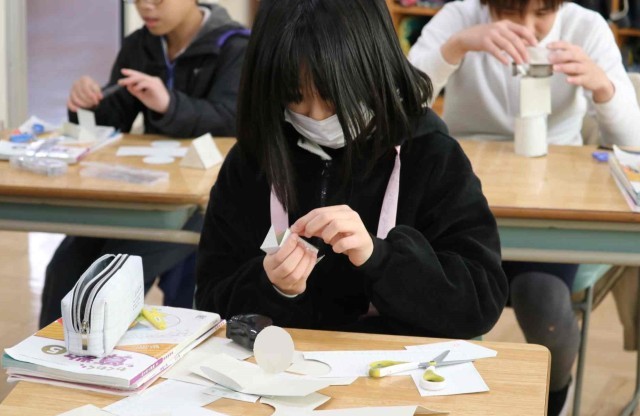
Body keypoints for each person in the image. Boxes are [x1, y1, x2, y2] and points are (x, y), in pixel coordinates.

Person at [195, 0, 508, 340]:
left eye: (331, 95)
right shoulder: (252, 159)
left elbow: (480, 301)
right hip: (282, 362)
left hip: (396, 362)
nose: (316, 116)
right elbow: (211, 299)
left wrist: (380, 258)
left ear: (374, 68)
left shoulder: (430, 154)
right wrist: (271, 286)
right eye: (295, 96)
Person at [408, 0, 640, 416]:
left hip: (550, 203)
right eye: (512, 14)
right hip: (465, 194)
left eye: (542, 15)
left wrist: (603, 87)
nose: (528, 29)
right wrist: (456, 47)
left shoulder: (585, 27)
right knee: (439, 294)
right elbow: (397, 106)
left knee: (544, 302)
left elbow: (633, 139)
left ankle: (552, 409)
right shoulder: (459, 17)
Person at [39, 0, 248, 328]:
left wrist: (168, 104)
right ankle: (49, 353)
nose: (146, 8)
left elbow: (234, 120)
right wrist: (85, 106)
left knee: (108, 276)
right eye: (138, 0)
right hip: (145, 194)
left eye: (158, 0)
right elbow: (114, 121)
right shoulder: (140, 45)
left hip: (202, 202)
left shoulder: (235, 46)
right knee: (65, 265)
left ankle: (91, 347)